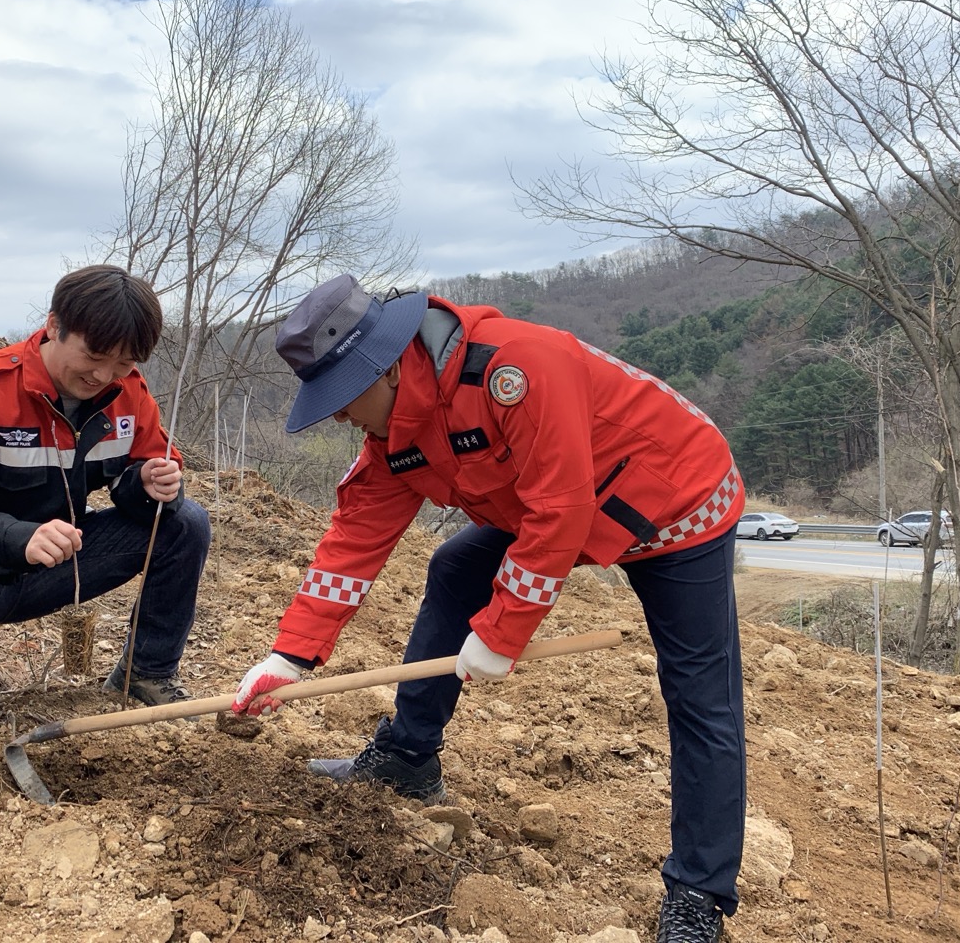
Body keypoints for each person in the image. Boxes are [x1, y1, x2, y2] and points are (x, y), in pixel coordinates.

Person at [232, 275, 745, 943]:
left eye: (341, 396)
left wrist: (501, 631)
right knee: (454, 568)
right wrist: (289, 656)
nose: (336, 415)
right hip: (542, 502)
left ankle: (698, 894)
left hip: (675, 499)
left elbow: (560, 514)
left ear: (383, 368)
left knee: (700, 694)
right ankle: (409, 757)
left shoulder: (515, 368)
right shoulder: (393, 430)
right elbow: (353, 539)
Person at [0, 265, 211, 735]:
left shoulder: (129, 395)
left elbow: (142, 480)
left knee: (186, 522)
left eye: (124, 362)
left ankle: (148, 673)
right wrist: (21, 537)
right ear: (55, 325)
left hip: (58, 558)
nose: (104, 375)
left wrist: (148, 485)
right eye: (95, 355)